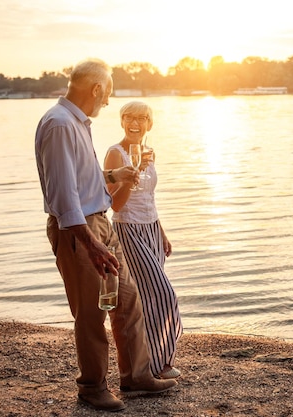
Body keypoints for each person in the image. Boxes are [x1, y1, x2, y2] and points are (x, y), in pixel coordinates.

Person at [34, 58, 177, 412]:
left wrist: (115, 178)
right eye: (108, 92)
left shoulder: (77, 123)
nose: (109, 102)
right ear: (96, 89)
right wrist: (91, 243)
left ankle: (136, 376)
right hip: (79, 230)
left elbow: (84, 179)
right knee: (90, 314)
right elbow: (65, 195)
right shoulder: (59, 124)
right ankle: (92, 387)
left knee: (128, 302)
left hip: (99, 224)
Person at [104, 101, 183, 379]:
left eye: (141, 118)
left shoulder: (149, 153)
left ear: (150, 123)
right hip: (128, 231)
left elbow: (150, 198)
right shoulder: (115, 154)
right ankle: (158, 364)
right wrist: (131, 176)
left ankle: (154, 363)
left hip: (150, 229)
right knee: (163, 293)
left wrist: (161, 232)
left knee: (148, 298)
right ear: (122, 121)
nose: (135, 123)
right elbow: (115, 205)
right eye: (129, 117)